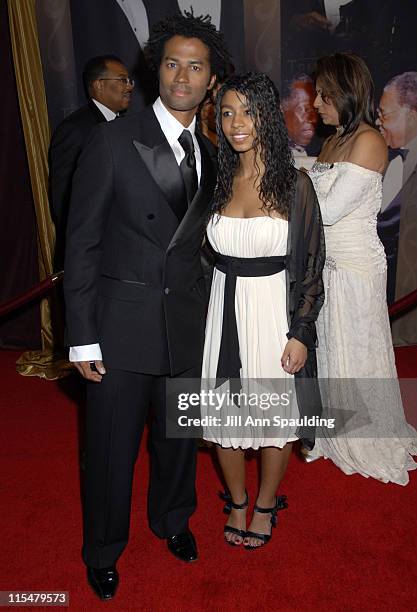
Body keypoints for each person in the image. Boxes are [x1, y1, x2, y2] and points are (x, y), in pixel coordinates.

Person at [64, 12, 230, 600]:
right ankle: (104, 550)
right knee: (109, 450)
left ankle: (172, 520)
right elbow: (80, 242)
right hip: (119, 328)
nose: (182, 76)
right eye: (171, 63)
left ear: (211, 80)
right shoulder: (111, 140)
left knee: (179, 439)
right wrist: (81, 335)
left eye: (196, 66)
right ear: (154, 70)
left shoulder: (214, 154)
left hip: (185, 324)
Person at [201, 72, 325, 549]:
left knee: (274, 418)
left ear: (267, 116)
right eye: (227, 111)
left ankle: (266, 503)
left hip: (273, 310)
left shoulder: (294, 185)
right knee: (225, 417)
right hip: (223, 307)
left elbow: (313, 265)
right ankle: (236, 500)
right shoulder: (214, 179)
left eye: (248, 111)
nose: (236, 123)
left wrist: (300, 333)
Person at [306, 53, 417, 483]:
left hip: (354, 267)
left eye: (324, 94)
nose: (316, 103)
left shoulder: (370, 140)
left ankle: (370, 435)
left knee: (357, 354)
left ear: (346, 93)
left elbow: (328, 208)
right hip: (326, 266)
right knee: (332, 352)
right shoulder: (334, 140)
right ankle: (336, 433)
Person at [49, 55, 133, 270]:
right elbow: (64, 201)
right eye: (122, 80)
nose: (129, 87)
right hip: (90, 259)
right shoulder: (76, 129)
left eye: (129, 80)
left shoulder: (124, 127)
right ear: (99, 85)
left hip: (121, 255)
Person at [376, 72, 417, 346]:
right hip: (383, 305)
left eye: (385, 115)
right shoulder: (390, 163)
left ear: (412, 115)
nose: (378, 122)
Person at [281, 74, 319, 163]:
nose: (312, 119)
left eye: (315, 110)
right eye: (303, 109)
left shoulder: (325, 148)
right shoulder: (269, 151)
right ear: (282, 109)